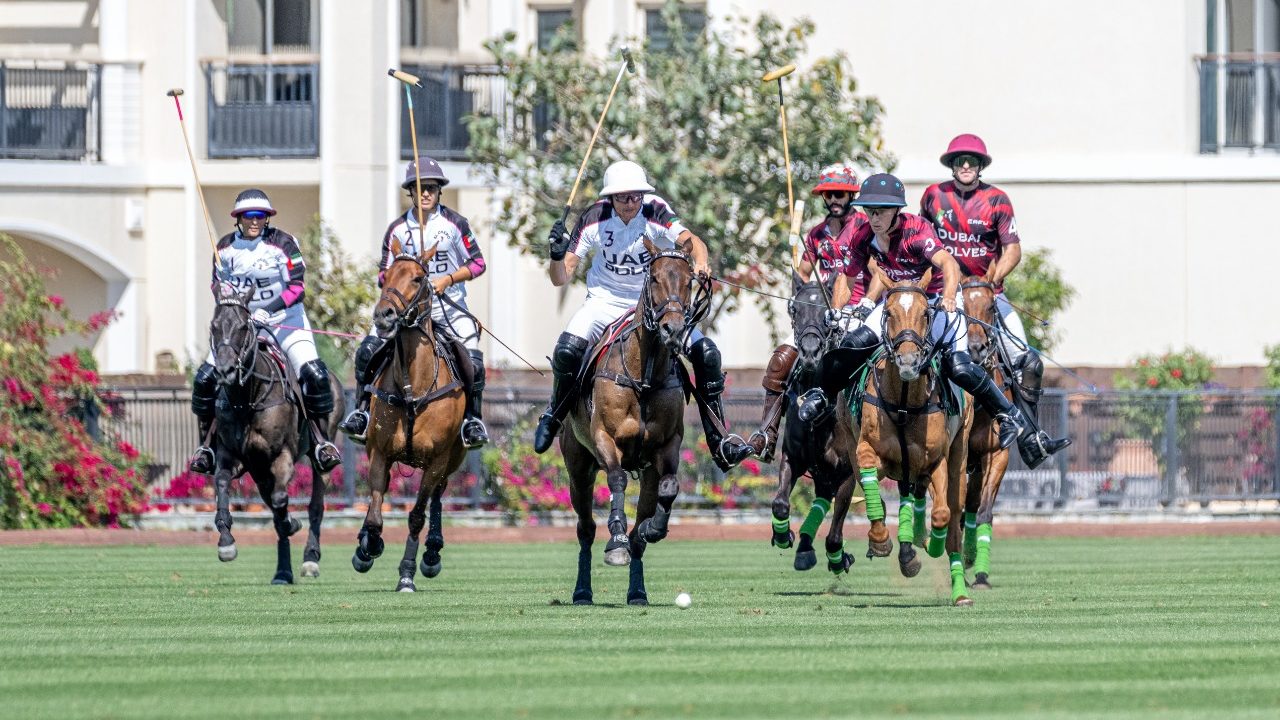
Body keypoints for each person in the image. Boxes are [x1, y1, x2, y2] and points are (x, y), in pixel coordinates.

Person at [795, 173, 1065, 468]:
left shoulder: (916, 230)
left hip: (936, 300)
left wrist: (950, 295)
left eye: (881, 211)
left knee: (959, 366)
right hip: (896, 303)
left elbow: (948, 263)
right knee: (851, 345)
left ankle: (1008, 414)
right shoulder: (863, 237)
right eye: (870, 210)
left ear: (896, 211)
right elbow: (846, 280)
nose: (874, 217)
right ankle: (821, 395)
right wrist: (837, 310)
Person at [532, 159, 749, 471]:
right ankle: (555, 414)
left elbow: (691, 241)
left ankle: (719, 438)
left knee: (707, 353)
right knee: (567, 349)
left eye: (636, 196)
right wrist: (555, 254)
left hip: (655, 304)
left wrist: (699, 261)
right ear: (610, 198)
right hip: (605, 302)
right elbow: (560, 276)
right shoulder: (594, 218)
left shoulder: (655, 210)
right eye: (623, 198)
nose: (631, 203)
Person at [921, 133, 1070, 462]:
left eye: (971, 161)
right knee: (916, 351)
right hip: (945, 294)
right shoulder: (934, 196)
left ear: (980, 166)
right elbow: (922, 240)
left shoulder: (998, 200)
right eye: (959, 161)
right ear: (951, 165)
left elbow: (1013, 249)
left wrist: (992, 280)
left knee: (1027, 361)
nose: (965, 166)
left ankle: (1030, 438)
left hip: (988, 295)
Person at [338, 158, 489, 448]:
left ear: (439, 191)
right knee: (367, 351)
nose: (425, 193)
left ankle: (471, 419)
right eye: (419, 188)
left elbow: (479, 263)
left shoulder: (455, 224)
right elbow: (383, 272)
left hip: (448, 306)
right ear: (410, 191)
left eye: (431, 187)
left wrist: (448, 280)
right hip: (407, 310)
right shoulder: (397, 229)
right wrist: (403, 279)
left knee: (474, 361)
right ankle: (361, 412)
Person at [188, 189, 341, 473]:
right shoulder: (223, 248)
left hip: (286, 322)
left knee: (315, 375)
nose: (255, 221)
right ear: (239, 219)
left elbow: (297, 287)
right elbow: (216, 286)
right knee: (204, 380)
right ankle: (206, 448)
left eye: (261, 216)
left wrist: (268, 310)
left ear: (267, 218)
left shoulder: (284, 243)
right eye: (249, 216)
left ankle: (321, 442)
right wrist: (229, 299)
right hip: (241, 329)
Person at [734, 163, 869, 463]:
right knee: (782, 357)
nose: (834, 200)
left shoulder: (864, 229)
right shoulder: (816, 235)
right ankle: (768, 434)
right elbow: (805, 274)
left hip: (858, 311)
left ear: (851, 196)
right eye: (829, 194)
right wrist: (799, 288)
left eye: (840, 194)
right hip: (821, 316)